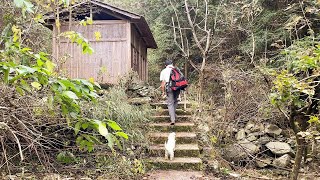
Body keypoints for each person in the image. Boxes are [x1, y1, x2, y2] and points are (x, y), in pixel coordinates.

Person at [160, 59, 180, 125]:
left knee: (170, 103)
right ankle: (173, 115)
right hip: (177, 88)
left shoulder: (164, 71)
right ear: (172, 64)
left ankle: (172, 119)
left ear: (165, 65)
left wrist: (163, 92)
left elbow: (163, 84)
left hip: (169, 88)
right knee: (175, 101)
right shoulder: (177, 70)